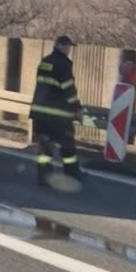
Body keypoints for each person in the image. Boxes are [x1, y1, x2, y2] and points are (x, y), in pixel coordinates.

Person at [31, 35, 84, 185]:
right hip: (58, 115)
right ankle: (72, 174)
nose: (69, 50)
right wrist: (77, 108)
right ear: (62, 46)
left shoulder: (45, 62)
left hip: (40, 113)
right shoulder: (63, 64)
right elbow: (68, 89)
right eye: (68, 47)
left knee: (44, 148)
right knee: (68, 147)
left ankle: (43, 177)